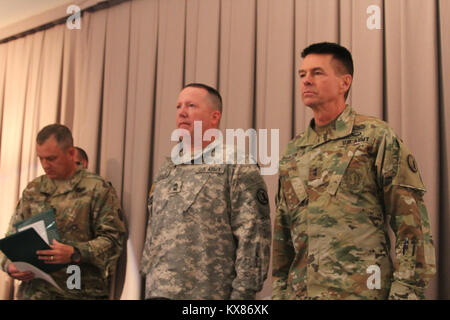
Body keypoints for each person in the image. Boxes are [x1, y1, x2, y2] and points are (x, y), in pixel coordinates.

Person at [272, 42, 436, 300]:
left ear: (344, 82)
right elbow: (282, 236)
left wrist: (406, 294)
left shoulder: (375, 136)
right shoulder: (293, 151)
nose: (306, 81)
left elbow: (411, 227)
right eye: (302, 74)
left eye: (317, 73)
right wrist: (280, 293)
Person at [140, 83, 271, 299]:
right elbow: (154, 230)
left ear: (214, 116)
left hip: (208, 294)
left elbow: (254, 235)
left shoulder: (236, 164)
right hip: (159, 291)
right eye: (178, 106)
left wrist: (242, 295)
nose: (182, 112)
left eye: (191, 105)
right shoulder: (168, 167)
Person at [0, 124, 126, 299]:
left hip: (79, 291)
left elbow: (114, 241)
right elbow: (10, 237)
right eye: (41, 158)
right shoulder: (33, 189)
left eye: (51, 158)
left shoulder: (97, 189)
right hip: (35, 292)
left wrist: (76, 252)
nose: (45, 165)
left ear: (71, 153)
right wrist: (9, 265)